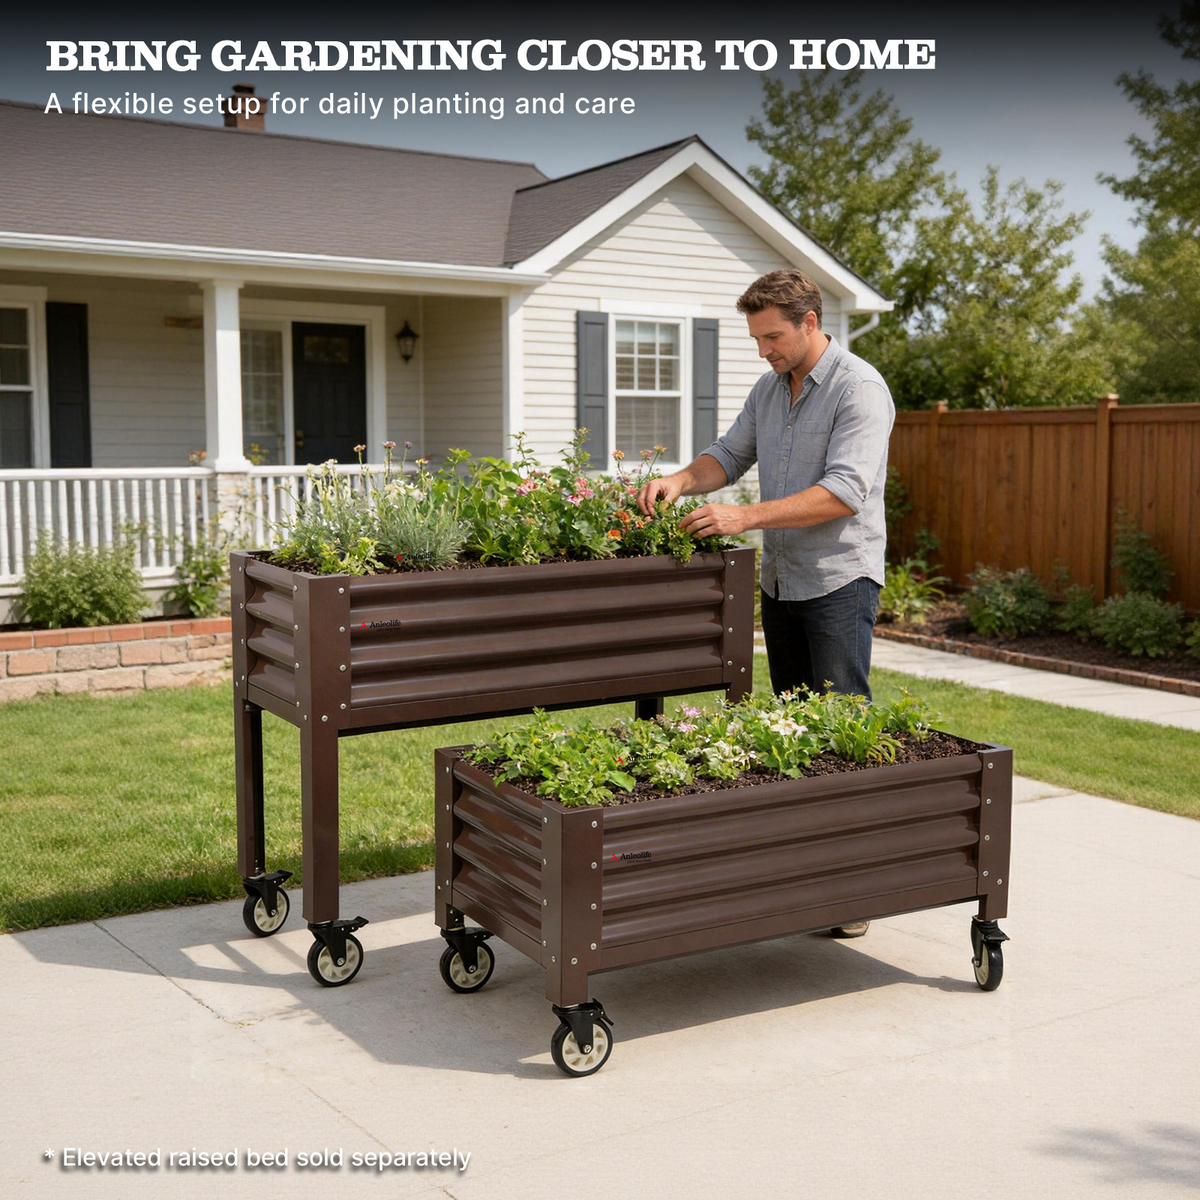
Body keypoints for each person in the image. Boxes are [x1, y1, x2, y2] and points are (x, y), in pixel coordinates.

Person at [636, 268, 894, 938]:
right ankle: (807, 872)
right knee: (791, 732)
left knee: (841, 733)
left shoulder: (859, 388)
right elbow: (728, 455)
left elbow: (844, 491)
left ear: (810, 322)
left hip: (839, 581)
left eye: (773, 336)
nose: (763, 350)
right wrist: (680, 480)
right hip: (782, 581)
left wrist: (743, 519)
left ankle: (851, 889)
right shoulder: (770, 388)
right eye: (756, 338)